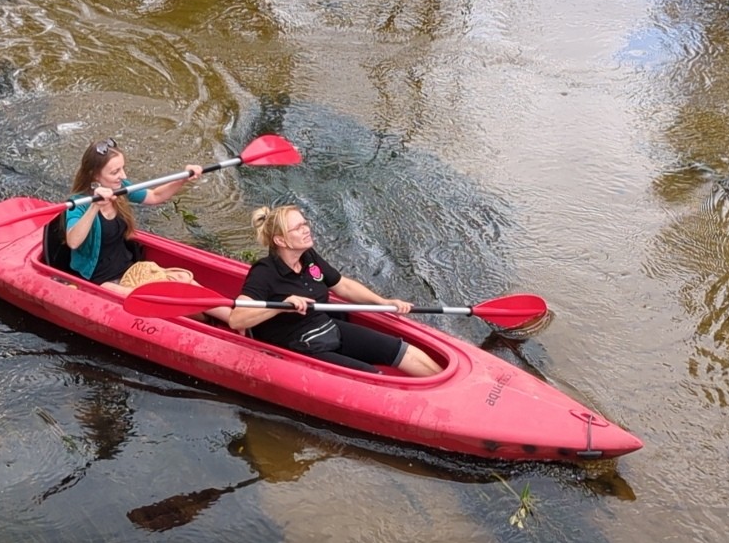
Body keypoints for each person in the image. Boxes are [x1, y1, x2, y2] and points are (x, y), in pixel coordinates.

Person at [228, 205, 443, 377]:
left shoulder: (308, 257)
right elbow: (237, 319)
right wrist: (281, 306)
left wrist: (383, 301)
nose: (306, 229)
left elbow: (342, 285)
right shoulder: (264, 272)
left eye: (305, 223)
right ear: (281, 240)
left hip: (328, 328)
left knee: (402, 350)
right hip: (301, 345)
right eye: (298, 228)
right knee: (373, 377)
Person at [48, 137, 230, 323]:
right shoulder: (79, 204)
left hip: (131, 270)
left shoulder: (120, 188)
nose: (123, 176)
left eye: (122, 168)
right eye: (115, 171)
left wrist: (183, 179)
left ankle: (234, 315)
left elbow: (154, 196)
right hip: (103, 283)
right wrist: (95, 206)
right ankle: (208, 321)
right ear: (95, 175)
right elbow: (73, 241)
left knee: (184, 281)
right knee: (166, 299)